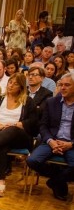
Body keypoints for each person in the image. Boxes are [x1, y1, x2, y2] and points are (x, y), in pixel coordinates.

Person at [26, 73, 74, 201]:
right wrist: (51, 141)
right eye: (61, 85)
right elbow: (43, 126)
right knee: (32, 161)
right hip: (52, 140)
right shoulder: (51, 102)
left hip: (71, 144)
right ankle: (59, 179)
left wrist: (70, 144)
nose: (63, 88)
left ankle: (54, 182)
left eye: (67, 85)